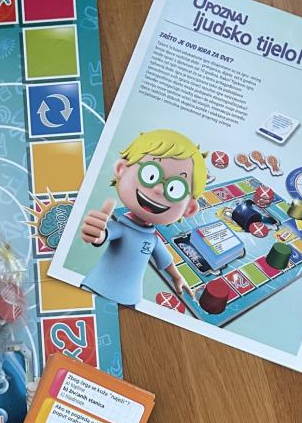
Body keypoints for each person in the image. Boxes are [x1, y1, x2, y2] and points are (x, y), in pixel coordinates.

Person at [80, 129, 207, 306]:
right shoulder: (121, 228)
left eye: (175, 188)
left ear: (189, 208)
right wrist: (97, 233)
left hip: (130, 300)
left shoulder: (153, 240)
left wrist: (177, 278)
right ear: (121, 169)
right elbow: (105, 234)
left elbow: (166, 262)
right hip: (96, 289)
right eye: (150, 175)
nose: (158, 189)